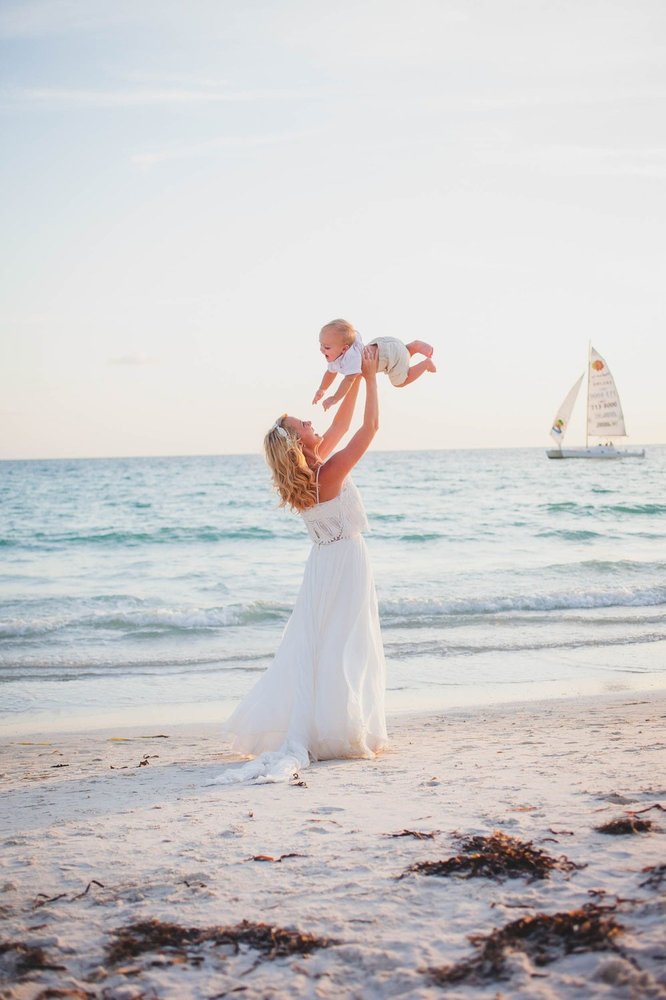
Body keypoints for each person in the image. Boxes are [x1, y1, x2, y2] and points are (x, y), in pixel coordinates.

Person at [212, 346, 388, 784]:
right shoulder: (327, 475)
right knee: (345, 644)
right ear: (297, 443)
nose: (311, 423)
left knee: (327, 645)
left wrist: (352, 375)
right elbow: (368, 428)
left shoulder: (314, 471)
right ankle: (338, 729)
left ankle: (331, 724)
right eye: (302, 425)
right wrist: (371, 379)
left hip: (325, 564)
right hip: (344, 562)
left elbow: (342, 424)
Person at [312, 318, 436, 411]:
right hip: (384, 344)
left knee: (400, 382)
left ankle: (425, 364)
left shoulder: (351, 359)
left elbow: (348, 380)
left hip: (388, 357)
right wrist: (322, 389)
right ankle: (413, 346)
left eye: (327, 347)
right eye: (321, 344)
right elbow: (330, 372)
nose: (321, 350)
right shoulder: (347, 346)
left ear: (344, 349)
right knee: (402, 355)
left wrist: (335, 398)